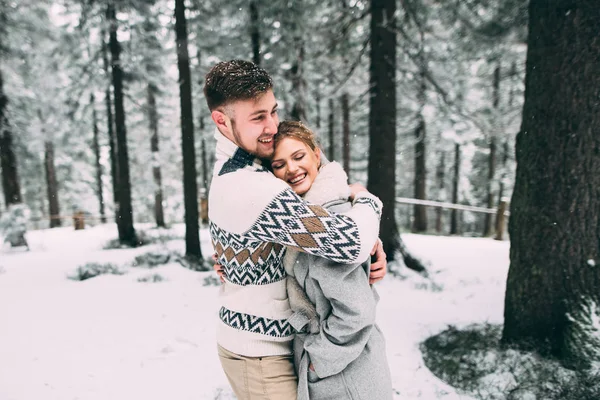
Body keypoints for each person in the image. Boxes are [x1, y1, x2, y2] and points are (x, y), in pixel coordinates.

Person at [204, 60, 386, 400]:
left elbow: (316, 181)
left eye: (273, 111)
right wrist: (366, 202)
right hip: (259, 355)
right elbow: (349, 243)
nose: (272, 125)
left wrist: (371, 244)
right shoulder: (250, 185)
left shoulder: (250, 160)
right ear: (221, 120)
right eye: (258, 117)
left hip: (271, 344)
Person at [272, 121, 392, 400]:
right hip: (340, 371)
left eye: (298, 156)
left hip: (346, 376)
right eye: (279, 164)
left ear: (317, 155)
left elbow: (357, 311)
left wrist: (319, 361)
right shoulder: (302, 219)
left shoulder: (328, 224)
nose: (291, 168)